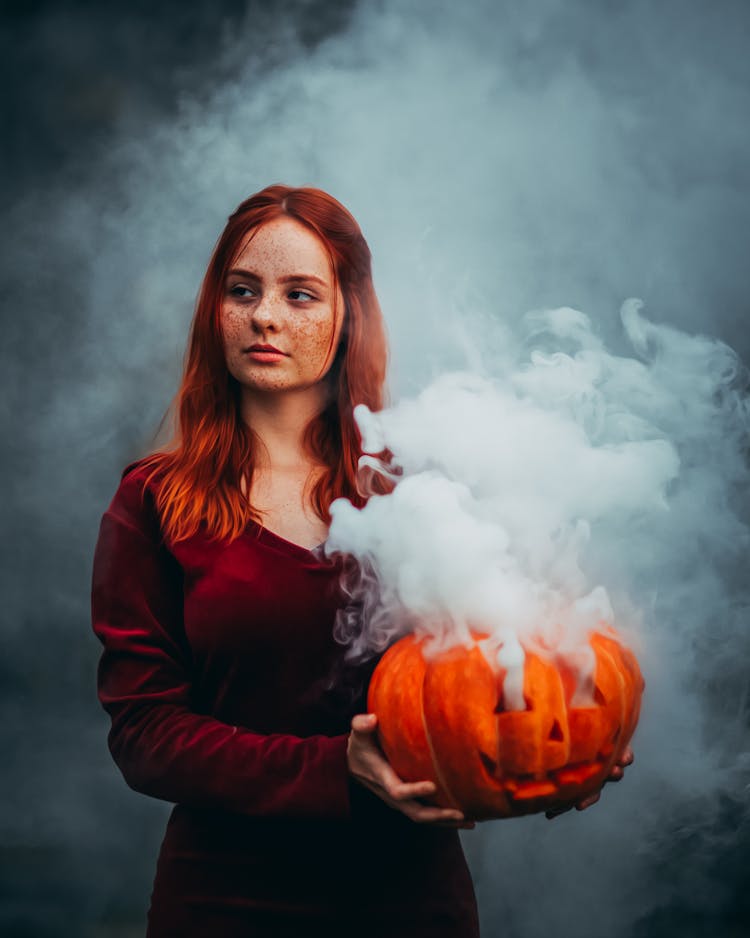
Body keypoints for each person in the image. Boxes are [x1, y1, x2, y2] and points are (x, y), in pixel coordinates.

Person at [91, 183, 632, 938]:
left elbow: (514, 653)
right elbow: (144, 737)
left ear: (349, 315)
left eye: (301, 295)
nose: (266, 317)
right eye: (241, 290)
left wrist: (576, 724)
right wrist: (334, 769)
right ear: (215, 310)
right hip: (225, 905)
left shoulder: (422, 489)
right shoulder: (155, 502)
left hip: (411, 904)